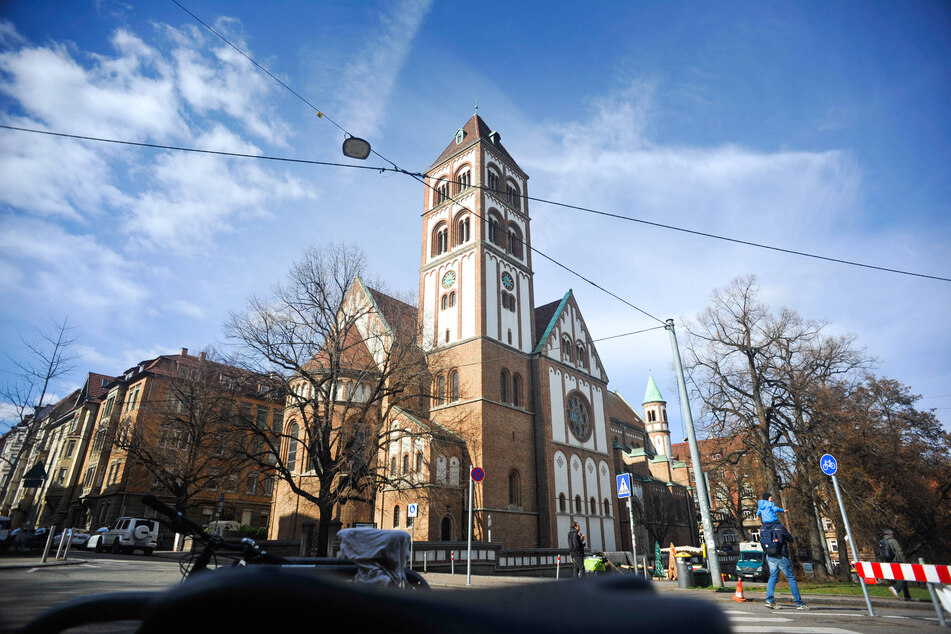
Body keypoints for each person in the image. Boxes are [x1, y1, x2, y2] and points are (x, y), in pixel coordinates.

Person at [761, 520, 808, 610]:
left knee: (773, 577)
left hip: (770, 555)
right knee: (791, 578)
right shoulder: (779, 527)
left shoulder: (763, 528)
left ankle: (769, 600)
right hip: (781, 555)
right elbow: (790, 539)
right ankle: (799, 603)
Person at [882, 529, 911, 600]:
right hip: (896, 561)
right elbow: (899, 552)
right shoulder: (893, 541)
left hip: (889, 562)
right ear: (890, 534)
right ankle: (895, 588)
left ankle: (907, 596)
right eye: (892, 533)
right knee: (905, 576)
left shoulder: (883, 542)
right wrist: (904, 561)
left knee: (901, 577)